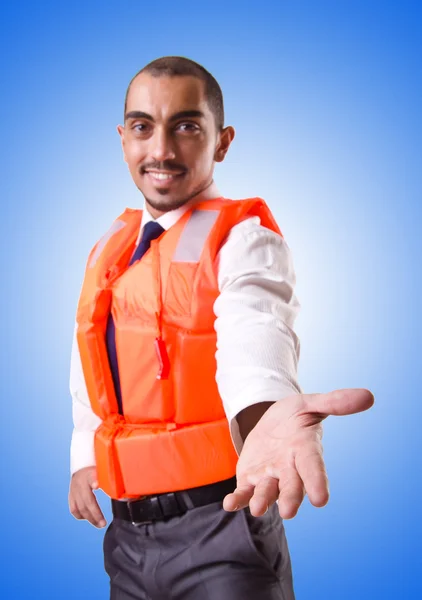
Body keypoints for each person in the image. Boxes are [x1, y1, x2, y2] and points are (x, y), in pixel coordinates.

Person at [68, 56, 374, 600]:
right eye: (143, 127)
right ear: (122, 138)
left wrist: (267, 412)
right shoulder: (109, 247)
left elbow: (255, 330)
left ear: (222, 141)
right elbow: (93, 361)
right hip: (127, 539)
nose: (160, 150)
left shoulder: (243, 239)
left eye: (186, 127)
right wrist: (84, 455)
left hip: (223, 527)